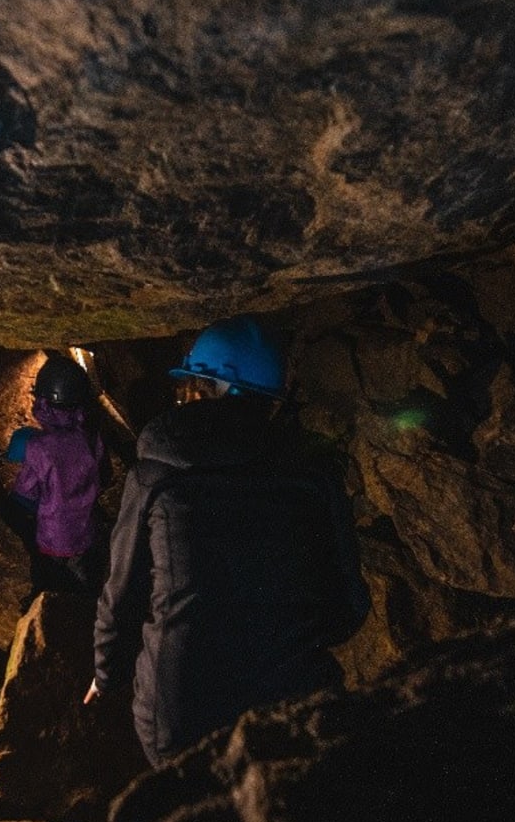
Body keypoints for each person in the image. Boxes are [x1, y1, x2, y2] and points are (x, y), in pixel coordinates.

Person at [84, 316, 370, 767]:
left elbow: (122, 595)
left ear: (212, 387)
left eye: (195, 384)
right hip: (291, 703)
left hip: (181, 713)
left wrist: (107, 674)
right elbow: (347, 610)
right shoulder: (314, 477)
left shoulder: (156, 475)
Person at [11, 354, 107, 604]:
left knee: (51, 584)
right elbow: (102, 475)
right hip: (86, 532)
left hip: (53, 536)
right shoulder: (91, 436)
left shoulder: (39, 447)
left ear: (44, 403)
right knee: (85, 587)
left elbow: (25, 494)